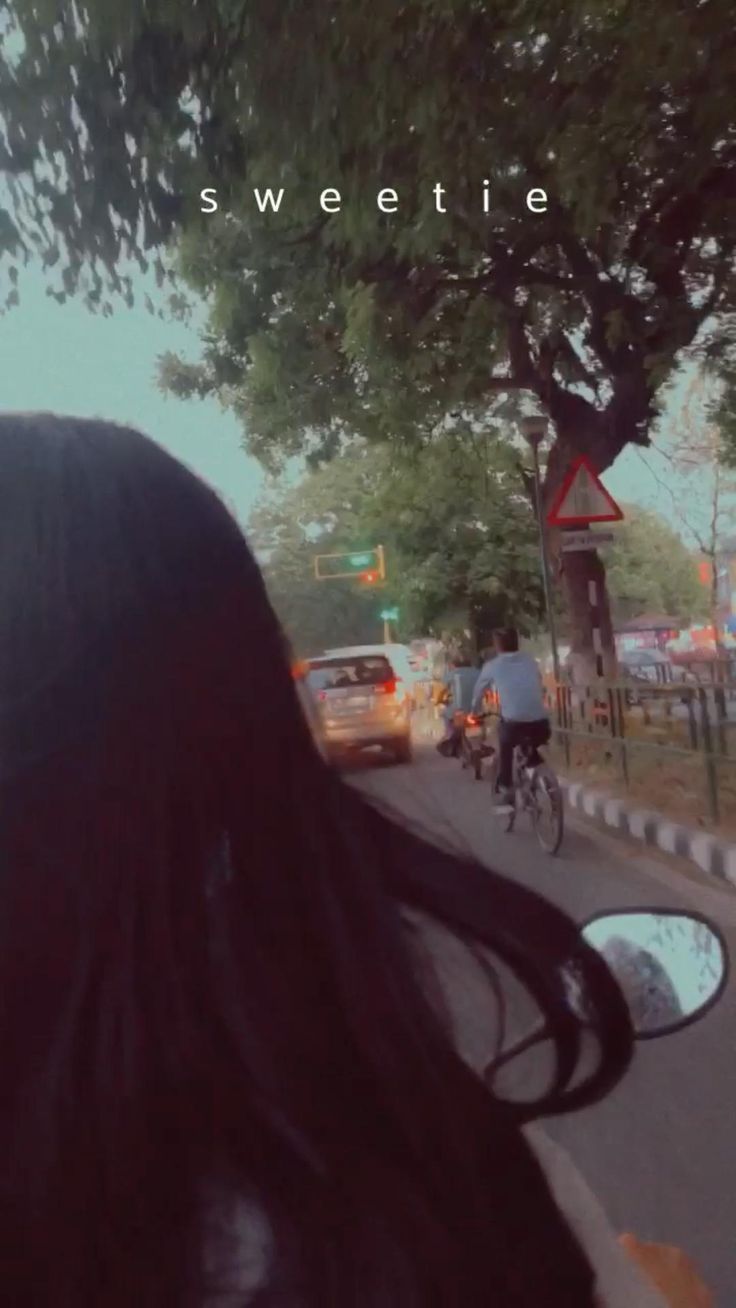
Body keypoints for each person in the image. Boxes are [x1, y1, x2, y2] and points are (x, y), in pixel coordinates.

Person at [0, 413, 705, 1308]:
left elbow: (467, 706)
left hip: (496, 723)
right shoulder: (424, 1185)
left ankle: (503, 787)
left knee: (493, 753)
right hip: (526, 730)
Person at [472, 627, 551, 810]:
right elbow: (539, 684)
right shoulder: (530, 661)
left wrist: (473, 711)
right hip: (542, 724)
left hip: (514, 724)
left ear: (497, 646)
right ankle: (540, 775)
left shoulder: (492, 666)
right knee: (529, 745)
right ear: (517, 643)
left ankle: (506, 787)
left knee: (505, 743)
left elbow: (478, 692)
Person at [436, 647, 477, 758]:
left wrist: (439, 700)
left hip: (457, 710)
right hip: (476, 709)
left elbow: (441, 691)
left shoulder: (451, 674)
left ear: (453, 664)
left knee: (445, 714)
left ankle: (449, 736)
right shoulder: (477, 672)